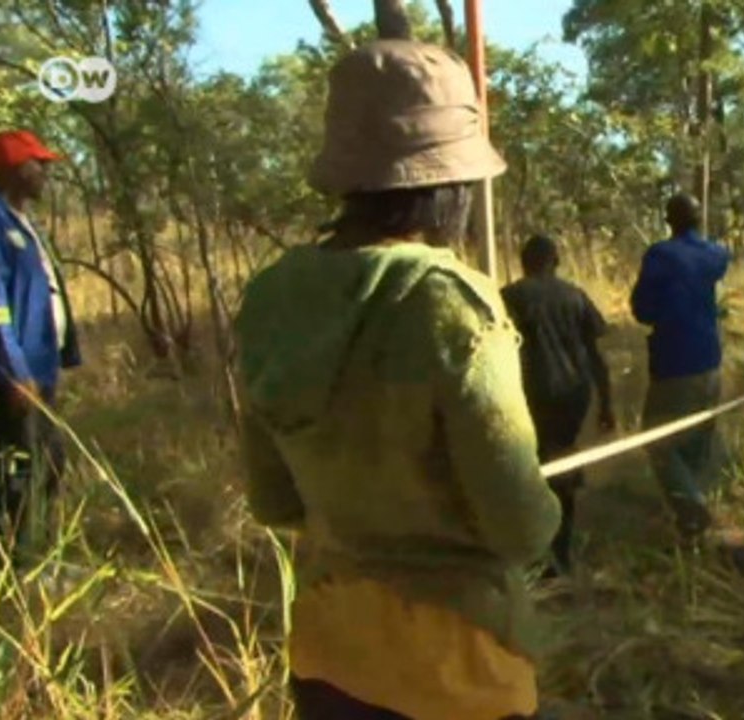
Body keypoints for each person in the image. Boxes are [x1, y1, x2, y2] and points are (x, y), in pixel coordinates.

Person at [232, 39, 560, 720]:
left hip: (326, 649)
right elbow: (521, 526)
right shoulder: (447, 300)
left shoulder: (272, 297)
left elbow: (273, 500)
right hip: (455, 668)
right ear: (451, 183)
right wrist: (544, 504)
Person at [0, 129, 80, 559]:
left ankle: (37, 558)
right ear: (14, 169)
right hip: (8, 380)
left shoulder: (22, 221)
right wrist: (13, 372)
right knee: (16, 474)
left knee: (49, 462)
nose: (45, 172)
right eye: (38, 164)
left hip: (39, 372)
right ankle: (13, 569)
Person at [501, 234, 615, 577]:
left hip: (529, 394)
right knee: (562, 462)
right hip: (573, 394)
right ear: (556, 261)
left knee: (532, 466)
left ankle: (537, 550)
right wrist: (605, 404)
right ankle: (561, 553)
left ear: (524, 263)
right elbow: (596, 356)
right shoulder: (576, 296)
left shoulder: (509, 296)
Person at [629, 193, 730, 539]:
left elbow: (641, 309)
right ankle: (693, 524)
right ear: (700, 220)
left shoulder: (661, 255)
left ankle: (693, 508)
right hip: (710, 359)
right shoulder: (716, 254)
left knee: (657, 439)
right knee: (698, 438)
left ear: (668, 220)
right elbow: (718, 259)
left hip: (675, 361)